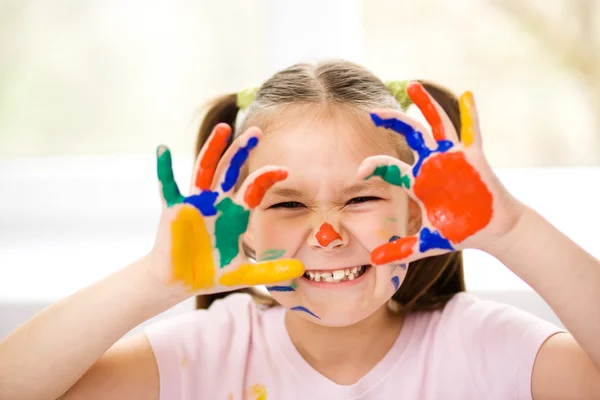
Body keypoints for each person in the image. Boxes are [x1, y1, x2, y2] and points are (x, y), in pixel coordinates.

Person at [1, 60, 599, 400]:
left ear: (416, 211)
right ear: (246, 232)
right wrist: (158, 281)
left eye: (361, 196)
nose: (329, 235)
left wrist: (512, 230)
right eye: (287, 205)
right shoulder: (210, 353)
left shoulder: (484, 349)